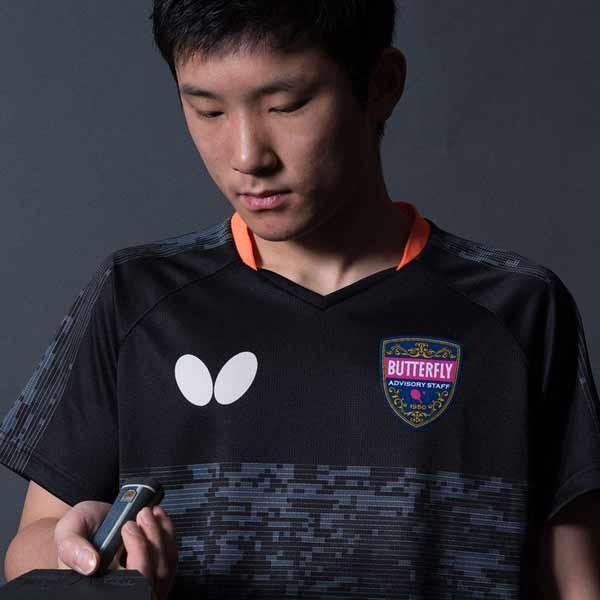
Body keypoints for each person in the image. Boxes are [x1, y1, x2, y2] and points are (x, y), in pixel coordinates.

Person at [1, 1, 599, 598]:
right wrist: (75, 553)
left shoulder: (518, 307)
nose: (247, 156)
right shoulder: (135, 297)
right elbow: (32, 547)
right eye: (208, 110)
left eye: (286, 105)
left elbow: (574, 580)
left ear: (382, 85)